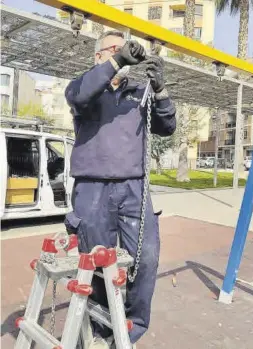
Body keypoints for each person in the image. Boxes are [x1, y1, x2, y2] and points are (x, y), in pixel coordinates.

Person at [64, 30, 176, 348]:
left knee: (147, 258)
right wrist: (118, 60)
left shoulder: (140, 92)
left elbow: (167, 127)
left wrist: (161, 88)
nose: (124, 52)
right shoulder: (85, 87)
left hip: (133, 189)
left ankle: (131, 328)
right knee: (96, 262)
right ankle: (100, 330)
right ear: (99, 57)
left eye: (125, 48)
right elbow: (79, 96)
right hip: (92, 188)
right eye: (113, 49)